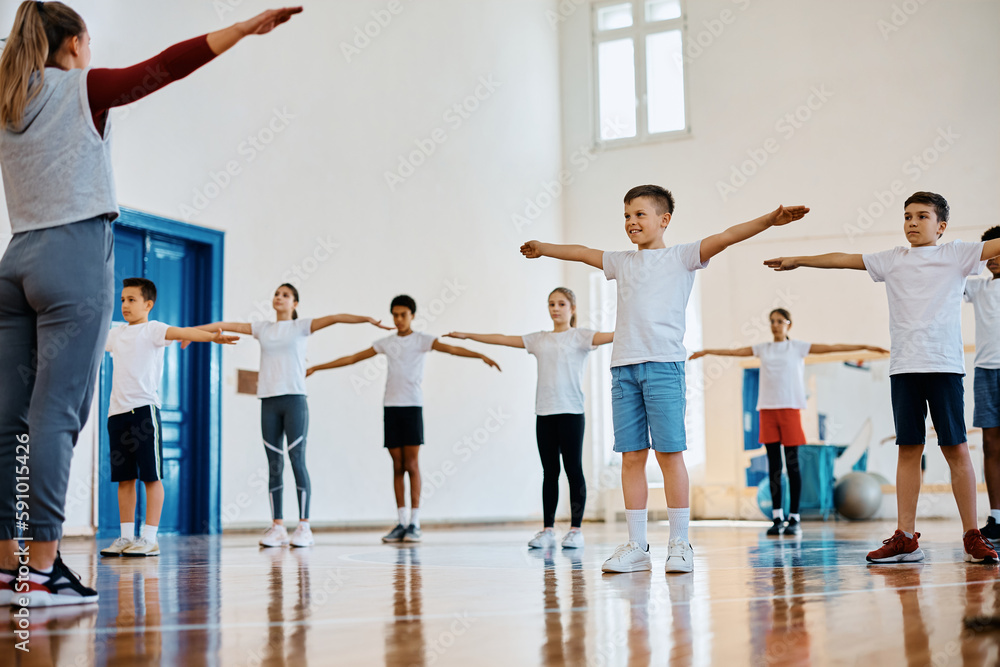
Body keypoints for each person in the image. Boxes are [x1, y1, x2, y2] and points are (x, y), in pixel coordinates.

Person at [0, 1, 302, 607]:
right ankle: (43, 570)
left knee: (11, 422)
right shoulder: (81, 89)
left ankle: (9, 570)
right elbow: (163, 67)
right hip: (72, 256)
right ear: (75, 43)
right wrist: (242, 29)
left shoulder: (9, 98)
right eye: (88, 43)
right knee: (55, 414)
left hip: (16, 260)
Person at [521, 184, 809, 574]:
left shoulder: (682, 256)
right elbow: (582, 252)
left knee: (670, 455)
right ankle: (637, 545)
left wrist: (770, 220)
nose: (631, 222)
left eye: (639, 214)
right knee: (631, 457)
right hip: (624, 369)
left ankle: (679, 542)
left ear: (664, 219)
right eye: (626, 215)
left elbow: (728, 236)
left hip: (663, 367)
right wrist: (543, 247)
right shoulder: (621, 261)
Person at [765, 191, 999, 564]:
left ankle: (972, 535)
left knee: (956, 448)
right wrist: (799, 260)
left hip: (944, 368)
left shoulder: (957, 254)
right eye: (907, 216)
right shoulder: (892, 259)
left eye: (922, 216)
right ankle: (906, 538)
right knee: (909, 448)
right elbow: (844, 259)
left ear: (941, 226)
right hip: (904, 369)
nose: (912, 222)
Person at [189, 284, 389, 548]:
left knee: (297, 461)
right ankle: (278, 527)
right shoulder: (262, 328)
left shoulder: (301, 326)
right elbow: (225, 325)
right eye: (276, 294)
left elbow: (336, 318)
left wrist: (367, 319)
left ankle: (304, 526)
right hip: (268, 401)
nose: (279, 298)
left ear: (295, 303)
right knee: (274, 465)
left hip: (294, 400)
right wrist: (191, 333)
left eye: (285, 295)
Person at [307, 294, 501, 544]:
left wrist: (480, 355)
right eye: (395, 315)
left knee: (412, 464)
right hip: (391, 408)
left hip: (412, 408)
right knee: (397, 466)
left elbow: (452, 349)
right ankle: (401, 522)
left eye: (403, 315)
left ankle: (415, 522)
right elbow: (353, 358)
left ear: (412, 315)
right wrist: (317, 367)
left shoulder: (422, 340)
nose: (399, 319)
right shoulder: (387, 343)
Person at [690, 308, 887, 536]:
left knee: (793, 466)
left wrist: (866, 347)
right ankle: (777, 517)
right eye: (772, 321)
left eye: (779, 321)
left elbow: (832, 347)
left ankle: (794, 517)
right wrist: (706, 351)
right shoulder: (763, 349)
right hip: (767, 411)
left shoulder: (797, 347)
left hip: (790, 411)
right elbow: (735, 352)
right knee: (774, 466)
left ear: (788, 324)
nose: (775, 325)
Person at [446, 287, 614, 549]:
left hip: (571, 413)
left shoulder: (581, 336)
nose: (555, 308)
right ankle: (548, 530)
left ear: (572, 308)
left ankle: (575, 530)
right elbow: (503, 339)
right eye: (551, 304)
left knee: (573, 470)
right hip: (544, 413)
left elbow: (615, 335)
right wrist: (469, 335)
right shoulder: (539, 339)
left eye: (561, 304)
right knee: (550, 472)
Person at [99, 278, 238, 558]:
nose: (125, 305)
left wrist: (212, 337)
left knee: (151, 477)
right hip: (117, 414)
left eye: (132, 300)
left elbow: (183, 332)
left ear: (148, 304)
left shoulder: (153, 329)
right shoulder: (116, 334)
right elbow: (90, 342)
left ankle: (150, 538)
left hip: (144, 412)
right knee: (125, 479)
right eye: (123, 299)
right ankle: (126, 537)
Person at [963, 225, 1000, 541]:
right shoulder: (978, 287)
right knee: (991, 444)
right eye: (989, 253)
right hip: (986, 371)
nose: (993, 258)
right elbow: (948, 276)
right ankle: (997, 517)